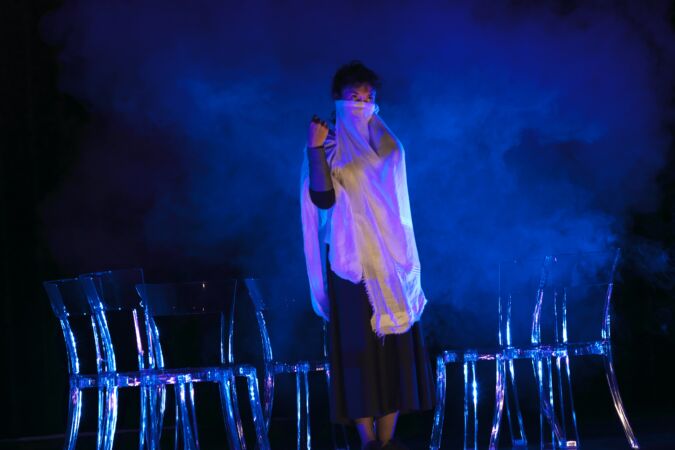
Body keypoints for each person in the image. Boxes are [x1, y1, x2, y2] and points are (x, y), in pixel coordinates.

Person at [300, 61, 435, 450]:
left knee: (393, 350)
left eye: (368, 97)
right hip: (351, 264)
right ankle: (366, 439)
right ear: (337, 100)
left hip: (390, 261)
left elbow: (394, 187)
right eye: (353, 97)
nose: (361, 104)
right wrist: (314, 147)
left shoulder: (386, 141)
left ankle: (387, 439)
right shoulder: (330, 143)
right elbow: (322, 198)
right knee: (357, 350)